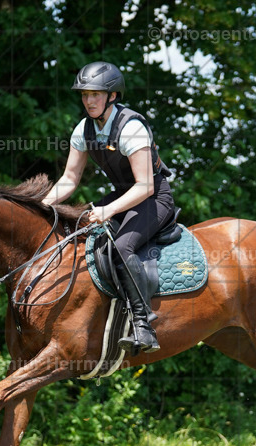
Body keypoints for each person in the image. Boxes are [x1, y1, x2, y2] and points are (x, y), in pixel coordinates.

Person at [43, 61, 176, 354]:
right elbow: (68, 179)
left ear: (112, 96)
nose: (89, 101)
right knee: (76, 233)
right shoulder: (84, 129)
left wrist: (108, 210)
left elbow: (146, 186)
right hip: (123, 197)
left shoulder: (131, 128)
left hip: (154, 199)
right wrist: (41, 204)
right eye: (84, 95)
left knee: (122, 248)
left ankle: (144, 326)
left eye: (96, 94)